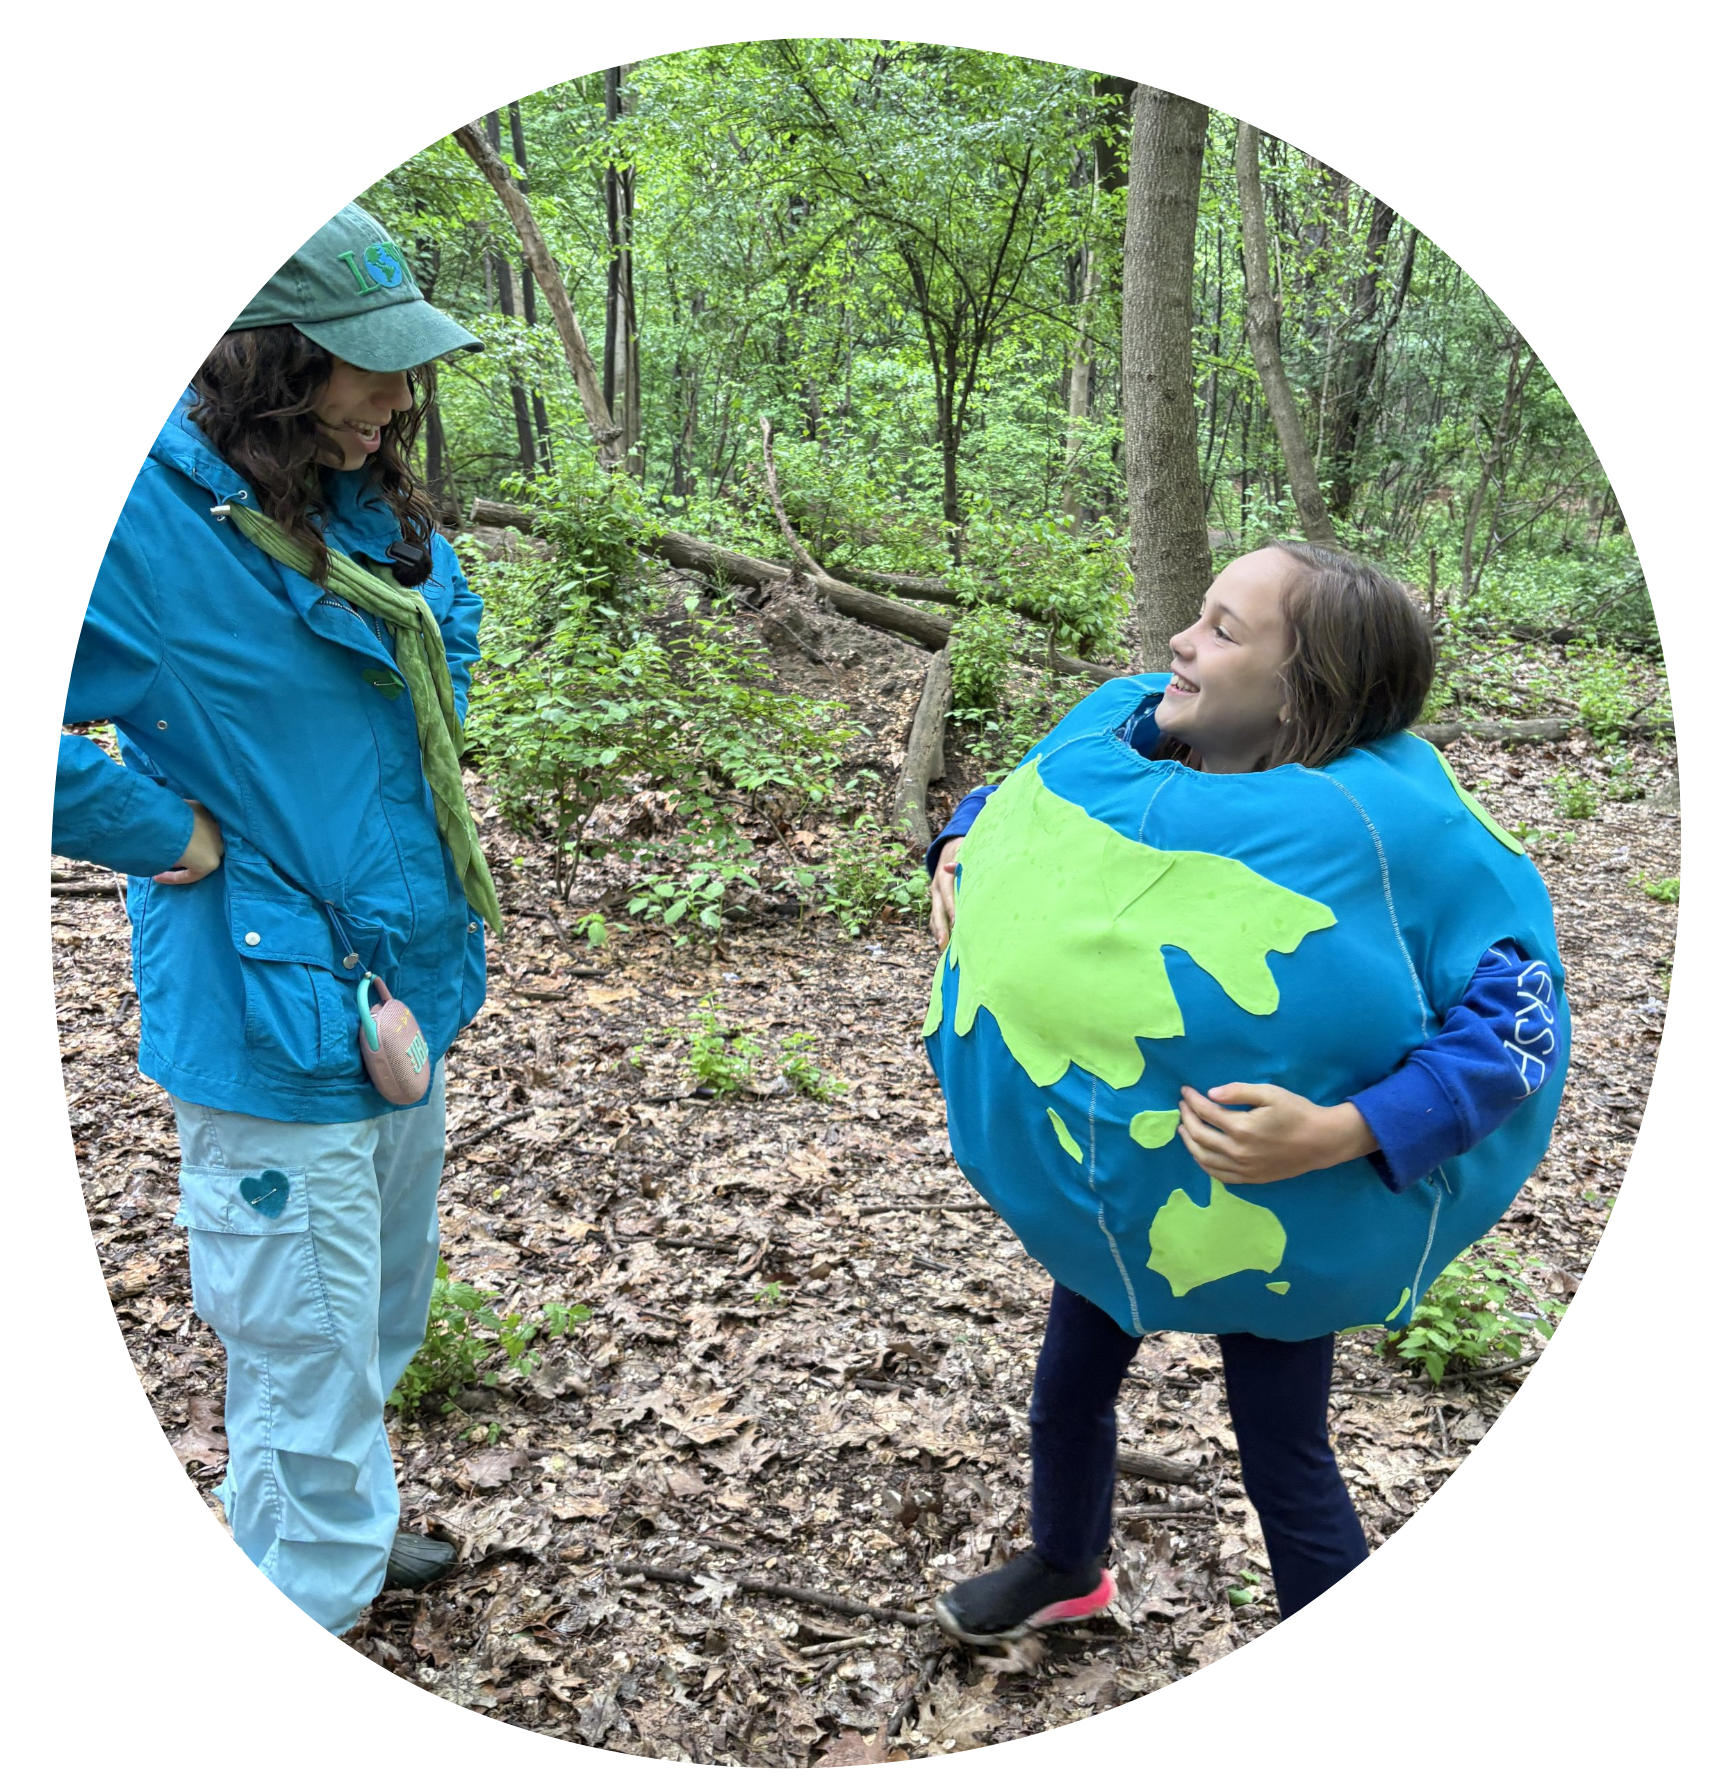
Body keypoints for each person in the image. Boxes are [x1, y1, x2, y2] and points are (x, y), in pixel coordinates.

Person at [923, 541, 1565, 1654]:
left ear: (1300, 693)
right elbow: (1031, 789)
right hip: (1122, 1191)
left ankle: (1346, 1663)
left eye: (1224, 630)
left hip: (1279, 1216)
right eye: (1199, 612)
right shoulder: (1129, 749)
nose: (1179, 640)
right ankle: (1068, 1564)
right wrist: (966, 834)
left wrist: (1344, 1129)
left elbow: (1517, 1027)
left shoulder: (1392, 831)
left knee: (1284, 1450)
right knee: (1067, 1394)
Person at [53, 205, 495, 1641]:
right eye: (370, 362)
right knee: (301, 1335)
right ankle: (312, 1590)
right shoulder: (149, 524)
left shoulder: (344, 493)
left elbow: (444, 622)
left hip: (399, 980)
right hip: (265, 1002)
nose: (399, 396)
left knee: (372, 1308)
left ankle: (336, 1527)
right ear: (270, 356)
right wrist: (160, 829)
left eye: (407, 362)